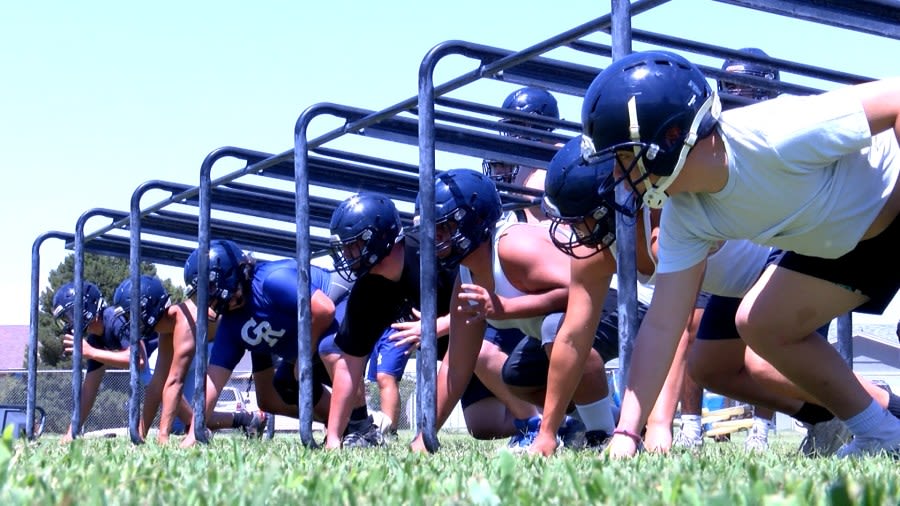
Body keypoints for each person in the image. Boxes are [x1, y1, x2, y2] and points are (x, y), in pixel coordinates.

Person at [578, 50, 900, 458]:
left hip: (892, 202)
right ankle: (883, 432)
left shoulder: (773, 132)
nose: (617, 176)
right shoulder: (686, 214)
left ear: (669, 139)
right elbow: (662, 326)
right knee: (761, 323)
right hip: (847, 241)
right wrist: (627, 431)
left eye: (623, 157)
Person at [409, 168, 625, 454]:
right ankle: (619, 420)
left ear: (473, 221)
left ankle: (602, 436)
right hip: (570, 323)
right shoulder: (467, 275)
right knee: (520, 376)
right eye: (430, 229)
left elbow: (586, 288)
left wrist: (508, 307)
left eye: (444, 227)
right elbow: (455, 366)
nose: (434, 238)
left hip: (619, 305)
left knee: (555, 329)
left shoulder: (512, 245)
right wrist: (425, 434)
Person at [322, 192, 463, 449]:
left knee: (487, 366)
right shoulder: (366, 291)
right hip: (456, 362)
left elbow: (484, 307)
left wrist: (437, 326)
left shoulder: (433, 252)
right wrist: (333, 436)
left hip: (487, 343)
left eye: (353, 245)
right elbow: (348, 367)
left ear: (378, 239)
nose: (347, 254)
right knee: (486, 426)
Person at [179, 239, 347, 447]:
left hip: (341, 312)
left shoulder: (270, 280)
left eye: (210, 288)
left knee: (329, 350)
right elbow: (212, 381)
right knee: (286, 381)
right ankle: (345, 424)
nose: (208, 300)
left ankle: (362, 427)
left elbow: (324, 310)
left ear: (229, 275)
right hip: (314, 340)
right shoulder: (231, 325)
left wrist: (301, 359)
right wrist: (194, 433)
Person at [111, 275, 254, 443]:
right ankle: (250, 420)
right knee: (184, 414)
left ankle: (238, 421)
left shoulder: (184, 321)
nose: (130, 323)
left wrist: (162, 437)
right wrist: (140, 435)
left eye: (131, 315)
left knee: (189, 411)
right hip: (213, 341)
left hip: (229, 339)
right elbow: (157, 384)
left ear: (147, 309)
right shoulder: (167, 327)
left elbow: (174, 382)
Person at [53, 281, 152, 442]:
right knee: (179, 423)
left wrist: (91, 352)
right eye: (66, 318)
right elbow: (89, 390)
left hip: (181, 354)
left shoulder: (114, 318)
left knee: (152, 377)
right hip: (160, 364)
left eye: (71, 315)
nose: (69, 322)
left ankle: (195, 424)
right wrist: (71, 432)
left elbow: (139, 360)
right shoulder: (95, 339)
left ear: (87, 308)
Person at [483, 86, 561, 223]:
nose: (511, 133)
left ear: (536, 123)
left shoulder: (561, 158)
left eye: (516, 125)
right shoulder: (526, 162)